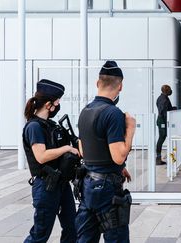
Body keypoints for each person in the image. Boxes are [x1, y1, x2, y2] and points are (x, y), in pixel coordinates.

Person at [76, 61, 134, 243]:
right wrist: (130, 130)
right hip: (106, 189)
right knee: (116, 238)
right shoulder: (112, 113)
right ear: (121, 86)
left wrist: (118, 167)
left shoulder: (86, 111)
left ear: (97, 83)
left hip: (87, 184)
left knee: (86, 238)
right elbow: (118, 156)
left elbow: (83, 150)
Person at [23, 79, 79, 243]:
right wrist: (66, 149)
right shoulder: (34, 127)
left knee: (72, 227)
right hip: (46, 186)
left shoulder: (51, 124)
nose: (57, 106)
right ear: (48, 105)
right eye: (56, 103)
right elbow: (41, 156)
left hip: (61, 183)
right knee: (40, 234)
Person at [156, 84, 176, 165]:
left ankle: (161, 157)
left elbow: (168, 109)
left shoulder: (163, 98)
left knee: (163, 138)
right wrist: (166, 123)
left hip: (162, 121)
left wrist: (174, 108)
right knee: (162, 138)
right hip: (163, 121)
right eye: (170, 89)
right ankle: (158, 158)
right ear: (167, 91)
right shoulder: (163, 99)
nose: (171, 91)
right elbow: (163, 112)